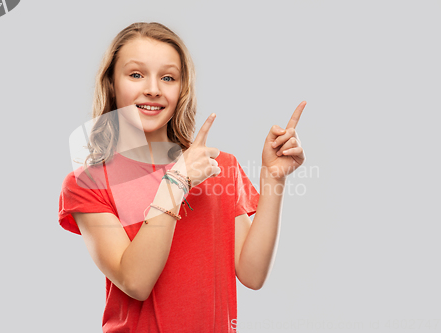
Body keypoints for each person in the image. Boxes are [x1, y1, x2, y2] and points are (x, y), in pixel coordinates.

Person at [58, 22, 306, 333]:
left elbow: (252, 274)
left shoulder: (217, 166)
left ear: (181, 88)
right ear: (111, 83)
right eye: (136, 74)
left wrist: (273, 178)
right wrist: (177, 182)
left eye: (168, 77)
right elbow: (136, 281)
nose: (153, 88)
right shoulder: (88, 184)